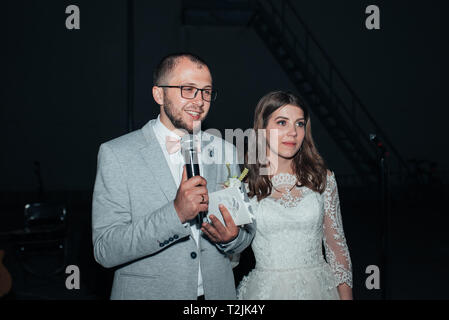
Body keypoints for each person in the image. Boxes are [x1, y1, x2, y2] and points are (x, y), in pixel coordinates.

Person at [92, 53, 255, 300]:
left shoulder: (226, 151)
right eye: (188, 89)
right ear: (159, 94)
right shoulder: (116, 154)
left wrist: (232, 239)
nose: (200, 101)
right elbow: (105, 249)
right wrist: (175, 214)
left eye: (206, 91)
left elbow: (247, 233)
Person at [236, 91, 353, 300]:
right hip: (265, 292)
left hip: (321, 290)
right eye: (282, 122)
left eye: (299, 124)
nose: (293, 132)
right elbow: (232, 252)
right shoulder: (244, 186)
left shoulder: (322, 179)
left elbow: (337, 249)